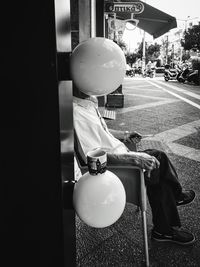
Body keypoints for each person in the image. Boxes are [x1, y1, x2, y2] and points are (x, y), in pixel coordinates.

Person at [73, 88, 196, 246]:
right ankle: (165, 226)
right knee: (156, 163)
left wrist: (125, 134)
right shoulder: (76, 113)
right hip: (116, 168)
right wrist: (133, 158)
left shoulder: (88, 104)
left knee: (159, 157)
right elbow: (92, 156)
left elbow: (102, 131)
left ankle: (174, 200)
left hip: (122, 152)